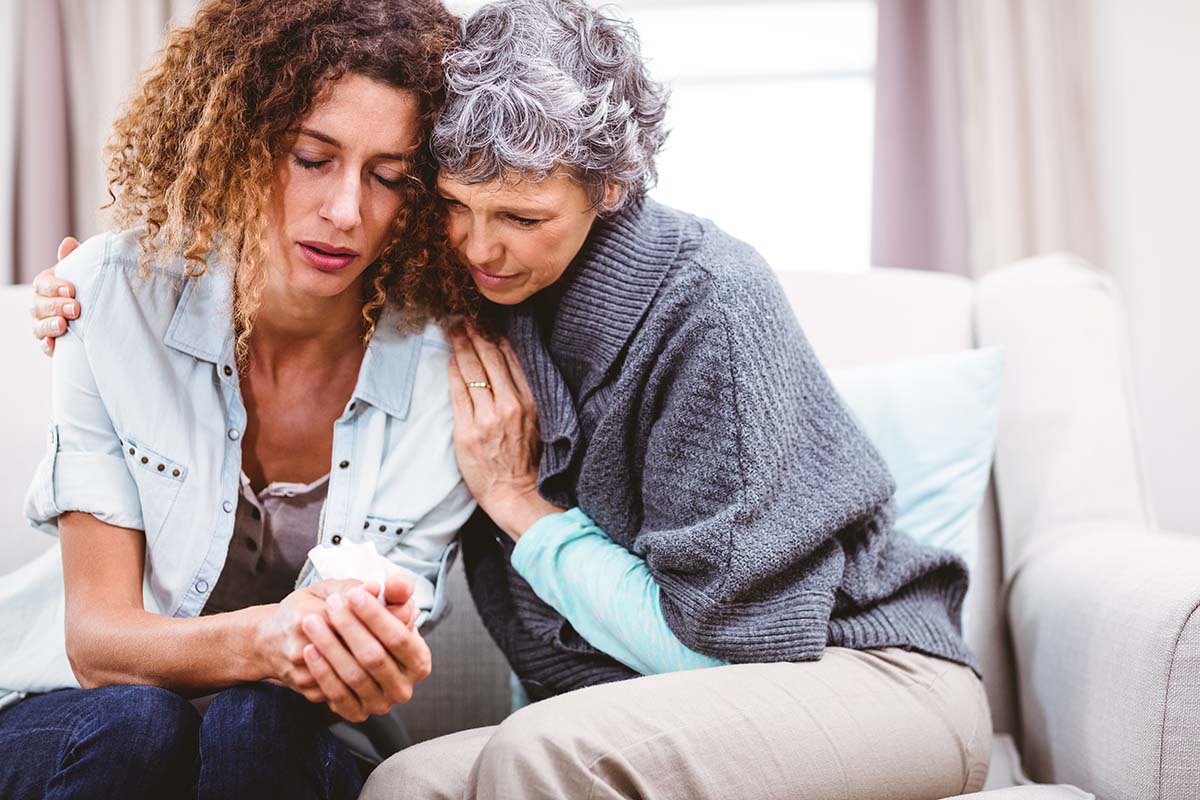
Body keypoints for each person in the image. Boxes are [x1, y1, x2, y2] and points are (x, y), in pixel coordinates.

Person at [32, 1, 993, 798]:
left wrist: (517, 505)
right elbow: (202, 263)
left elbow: (738, 651)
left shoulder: (705, 304)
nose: (480, 249)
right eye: (453, 205)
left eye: (522, 218)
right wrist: (94, 283)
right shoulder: (471, 297)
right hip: (651, 701)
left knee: (533, 754)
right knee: (403, 785)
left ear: (611, 190)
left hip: (843, 671)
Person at [2, 1, 474, 798]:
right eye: (311, 157)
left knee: (257, 719)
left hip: (284, 740)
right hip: (75, 711)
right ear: (239, 142)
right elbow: (98, 642)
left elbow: (372, 640)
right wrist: (270, 635)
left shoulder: (446, 373)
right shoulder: (113, 300)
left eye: (389, 177)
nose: (346, 211)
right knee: (139, 722)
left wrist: (362, 643)